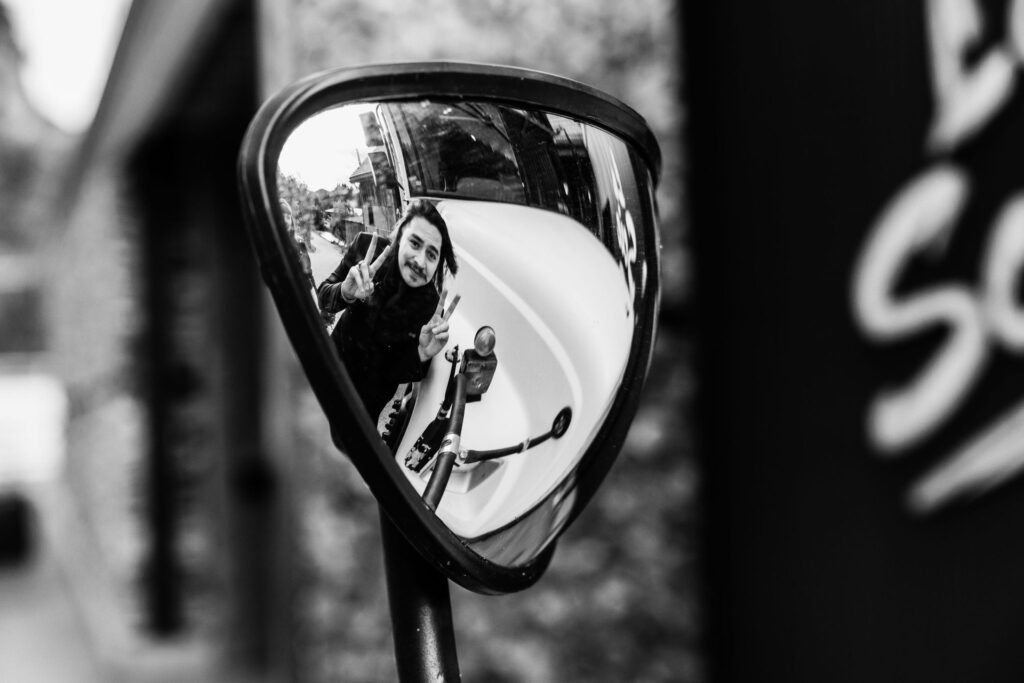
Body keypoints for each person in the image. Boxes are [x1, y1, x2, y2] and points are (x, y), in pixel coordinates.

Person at [317, 199, 459, 421]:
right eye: (415, 243)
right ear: (400, 236)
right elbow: (323, 298)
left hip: (364, 415)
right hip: (325, 379)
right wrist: (344, 292)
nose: (420, 262)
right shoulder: (366, 249)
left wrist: (420, 355)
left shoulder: (431, 305)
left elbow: (397, 372)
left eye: (432, 255)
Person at [280, 198, 316, 291]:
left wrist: (314, 290)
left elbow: (309, 272)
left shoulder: (299, 244)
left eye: (288, 217)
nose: (286, 221)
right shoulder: (274, 248)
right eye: (281, 216)